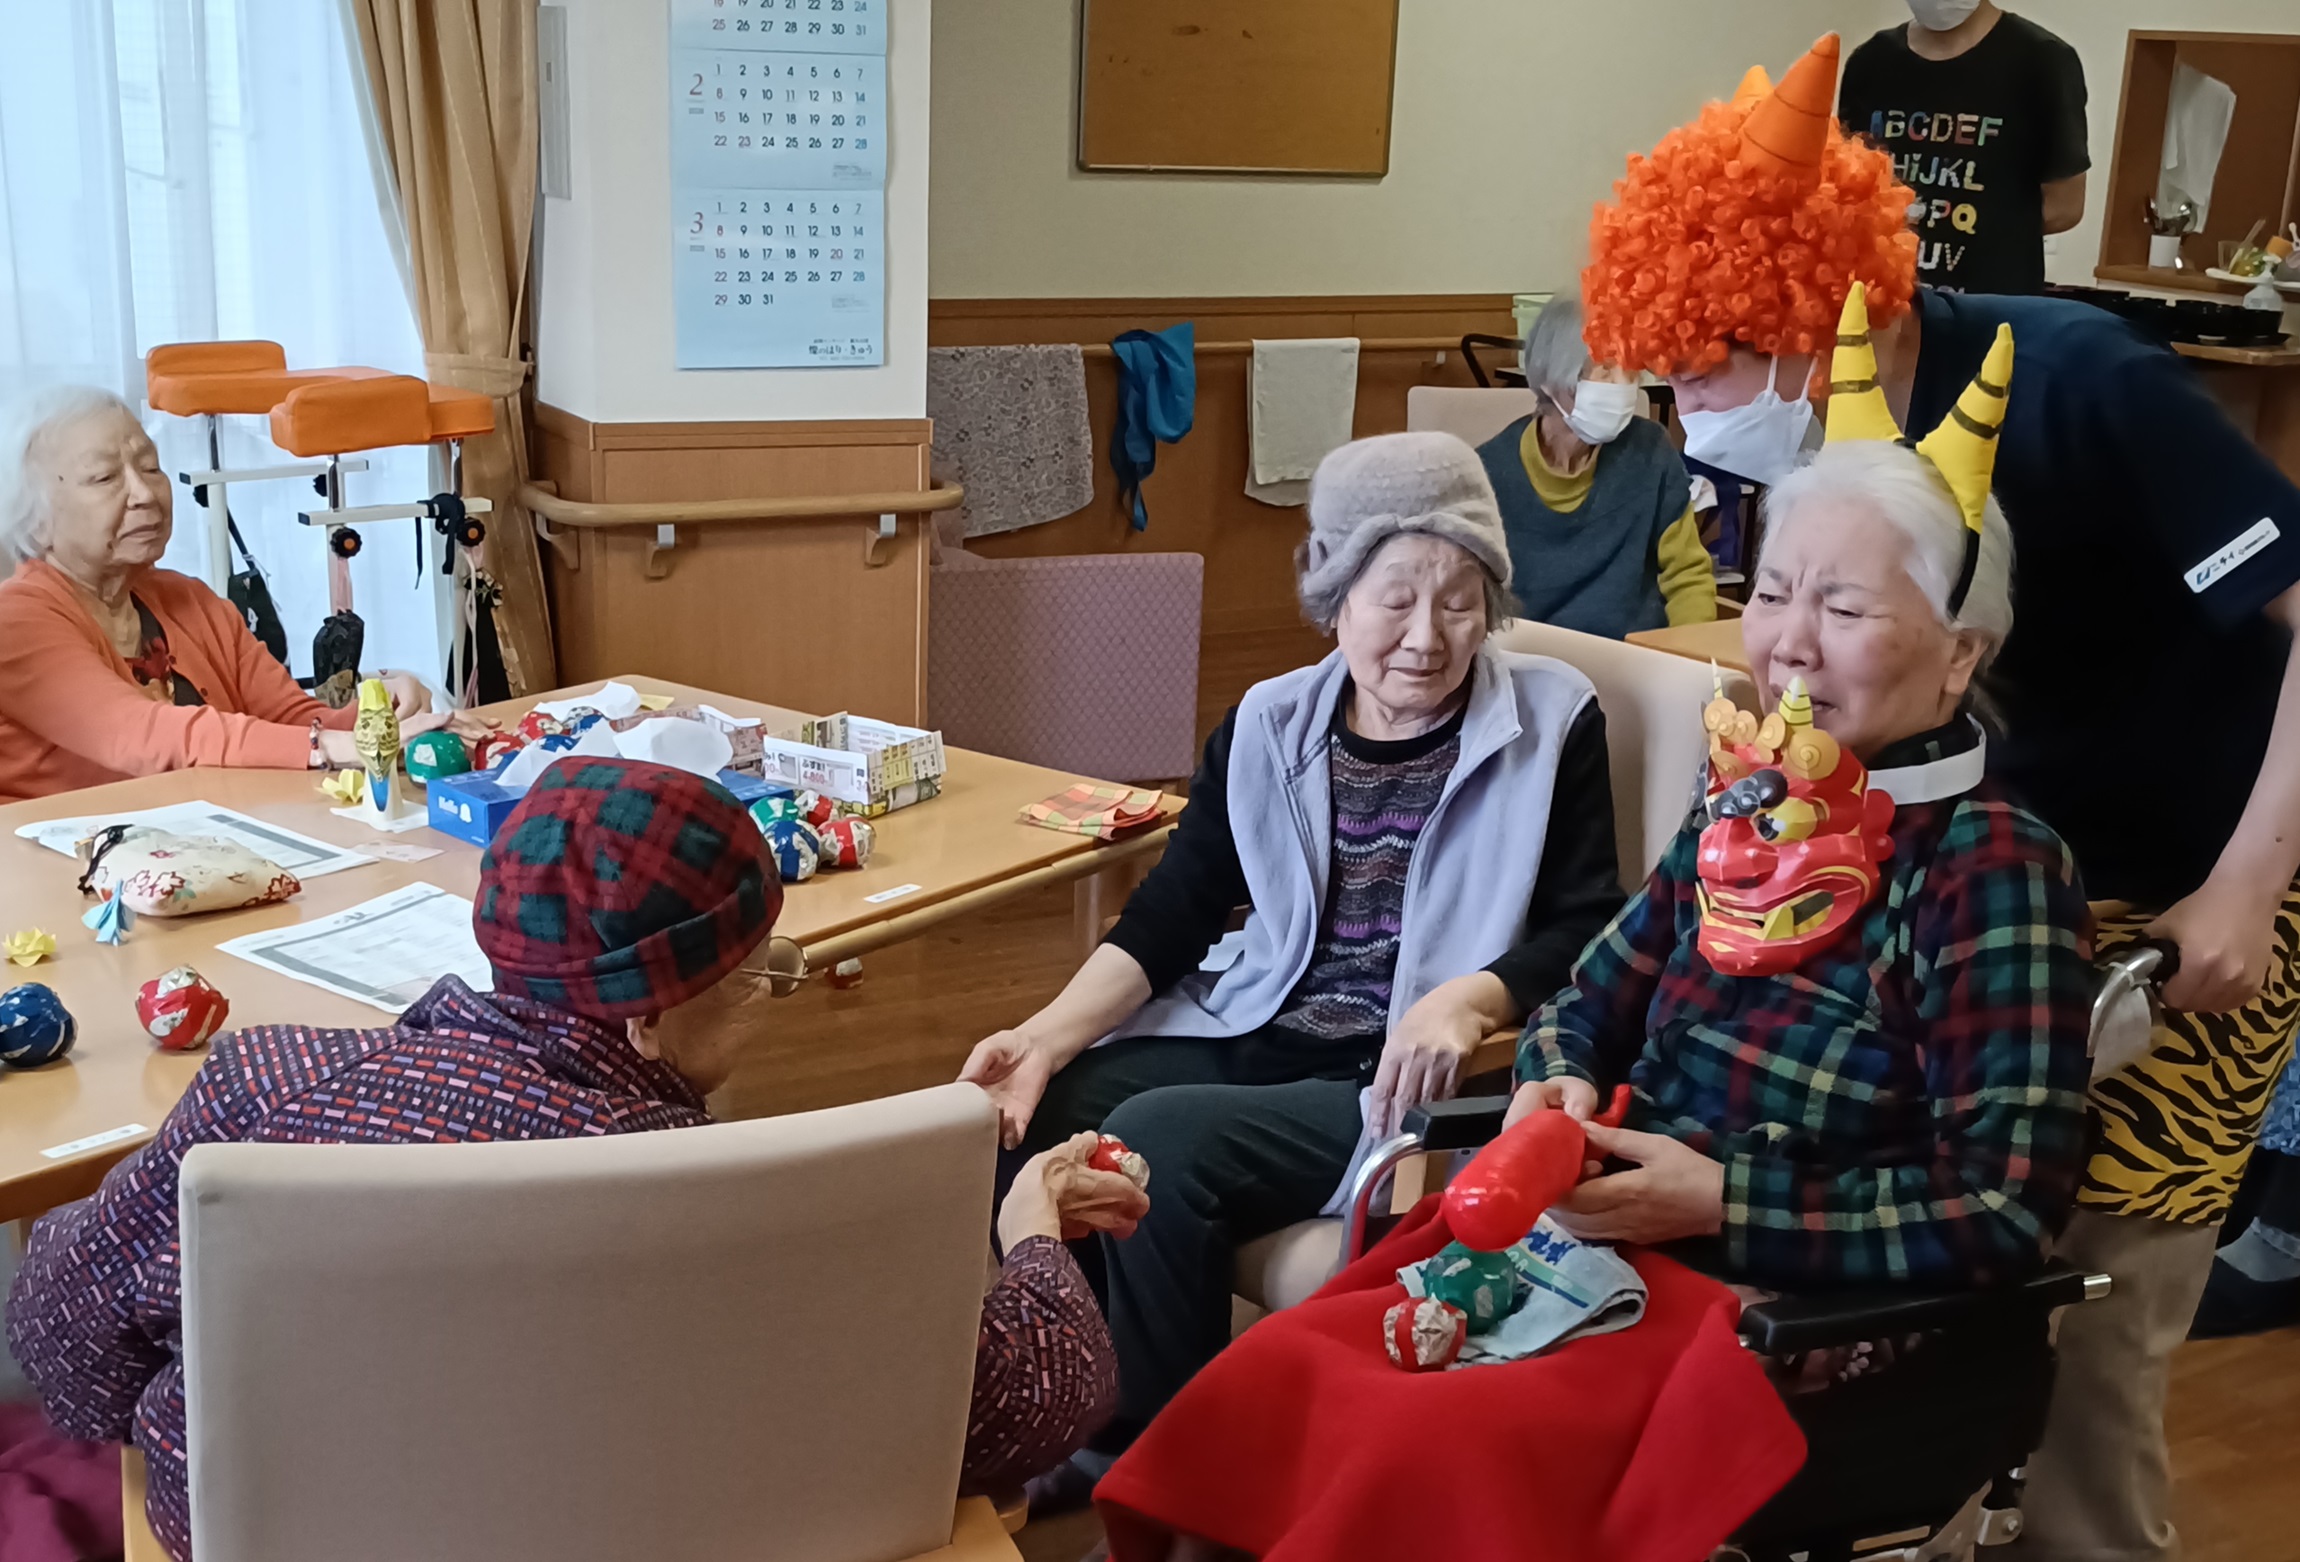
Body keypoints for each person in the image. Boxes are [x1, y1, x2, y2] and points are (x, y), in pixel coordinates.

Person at [1087, 349, 2097, 1560]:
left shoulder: (1993, 871)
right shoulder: (1743, 802)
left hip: (1780, 1316)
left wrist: (1718, 1197)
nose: (1786, 644)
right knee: (1272, 1383)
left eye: (1841, 610)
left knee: (1410, 1452)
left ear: (1958, 654)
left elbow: (2000, 1207)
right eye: (1773, 592)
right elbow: (1583, 997)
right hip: (1595, 1242)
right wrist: (1552, 1080)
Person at [1583, 37, 2300, 1562]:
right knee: (1918, 1320)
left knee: (2089, 1320)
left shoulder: (2089, 384)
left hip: (2189, 884)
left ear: (1803, 313)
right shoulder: (1811, 440)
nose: (1687, 415)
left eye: (1703, 371)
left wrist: (2247, 883)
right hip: (1957, 889)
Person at [6, 758, 1146, 1559]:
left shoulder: (266, 1088)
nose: (769, 997)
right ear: (646, 1017)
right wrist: (1028, 1229)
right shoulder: (746, 1200)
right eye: (756, 974)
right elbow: (1034, 1404)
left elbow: (65, 1355)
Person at [958, 431, 1625, 1479]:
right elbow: (1173, 914)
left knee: (1154, 1140)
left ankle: (1156, 1466)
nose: (1425, 637)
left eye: (1459, 600)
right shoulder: (1269, 724)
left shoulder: (1553, 719)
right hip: (1264, 1026)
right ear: (1333, 593)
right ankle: (1071, 1404)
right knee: (1027, 1115)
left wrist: (1470, 998)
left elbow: (1592, 925)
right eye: (1393, 598)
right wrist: (1039, 1039)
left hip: (1403, 1076)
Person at [0, 385, 450, 803]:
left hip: (204, 841)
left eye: (151, 467)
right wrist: (329, 745)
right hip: (64, 855)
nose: (144, 493)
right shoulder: (16, 622)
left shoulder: (191, 601)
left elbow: (293, 720)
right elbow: (140, 734)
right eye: (104, 478)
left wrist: (384, 714)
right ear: (35, 520)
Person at [1476, 294, 1714, 638]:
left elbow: (1687, 575)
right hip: (1533, 660)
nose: (1623, 385)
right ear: (1551, 380)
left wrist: (1690, 655)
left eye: (1629, 369)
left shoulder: (1651, 451)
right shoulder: (1487, 475)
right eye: (1605, 369)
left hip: (1639, 655)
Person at [1839, 1, 2090, 296]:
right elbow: (1847, 190)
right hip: (1882, 303)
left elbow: (2065, 207)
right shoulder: (1870, 62)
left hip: (1990, 308)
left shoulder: (2042, 60)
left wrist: (1984, 240)